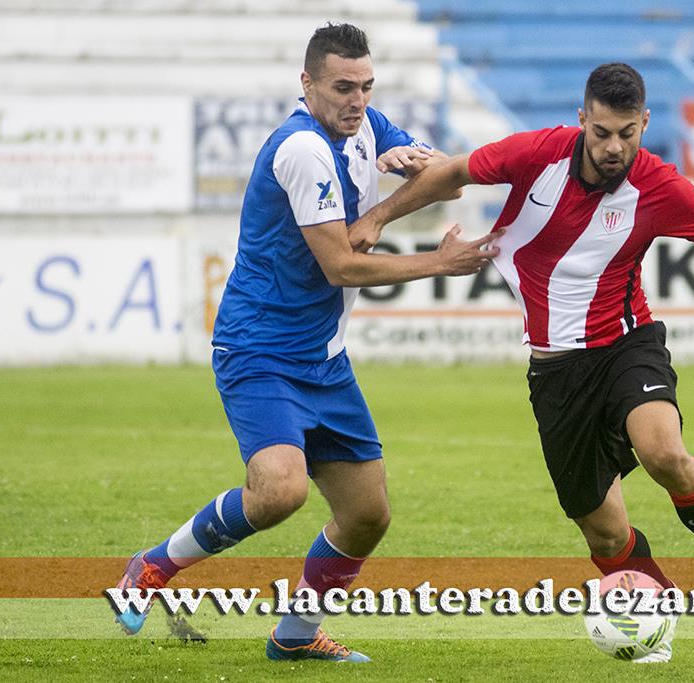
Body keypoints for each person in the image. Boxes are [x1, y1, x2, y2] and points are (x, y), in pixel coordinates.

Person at [353, 62, 694, 655]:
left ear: (645, 123)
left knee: (665, 453)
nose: (614, 147)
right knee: (605, 535)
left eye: (628, 133)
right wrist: (375, 218)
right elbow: (449, 173)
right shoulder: (535, 154)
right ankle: (657, 609)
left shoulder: (659, 185)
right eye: (601, 132)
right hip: (555, 371)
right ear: (582, 120)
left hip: (628, 344)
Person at [113, 22, 498, 662]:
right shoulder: (301, 149)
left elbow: (451, 180)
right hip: (260, 349)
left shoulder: (366, 126)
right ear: (308, 83)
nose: (358, 99)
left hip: (323, 358)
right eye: (343, 87)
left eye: (367, 87)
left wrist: (381, 209)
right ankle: (151, 569)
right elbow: (342, 267)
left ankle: (293, 637)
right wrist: (438, 261)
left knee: (367, 514)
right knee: (280, 490)